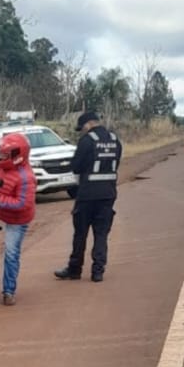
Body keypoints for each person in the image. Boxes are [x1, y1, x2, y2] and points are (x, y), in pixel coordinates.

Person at [55, 110, 122, 283]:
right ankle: (98, 272)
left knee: (80, 234)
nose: (83, 130)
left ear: (89, 124)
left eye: (82, 127)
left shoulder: (87, 141)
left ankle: (75, 269)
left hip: (87, 195)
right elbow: (116, 164)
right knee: (101, 234)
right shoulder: (115, 140)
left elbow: (76, 167)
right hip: (108, 194)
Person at [0, 131, 37, 306]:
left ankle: (9, 291)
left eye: (5, 155)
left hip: (17, 218)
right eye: (1, 154)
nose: (1, 157)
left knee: (11, 253)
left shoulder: (26, 177)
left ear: (16, 156)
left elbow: (22, 203)